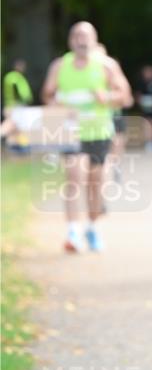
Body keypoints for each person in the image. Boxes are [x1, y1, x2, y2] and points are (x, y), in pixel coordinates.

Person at [41, 22, 132, 252]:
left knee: (96, 184)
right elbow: (47, 94)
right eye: (76, 35)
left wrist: (107, 97)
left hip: (99, 132)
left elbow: (125, 96)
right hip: (71, 131)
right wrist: (55, 102)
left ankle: (92, 228)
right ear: (70, 40)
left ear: (94, 39)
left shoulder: (106, 65)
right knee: (74, 177)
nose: (81, 40)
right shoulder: (60, 66)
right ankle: (73, 232)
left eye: (85, 36)